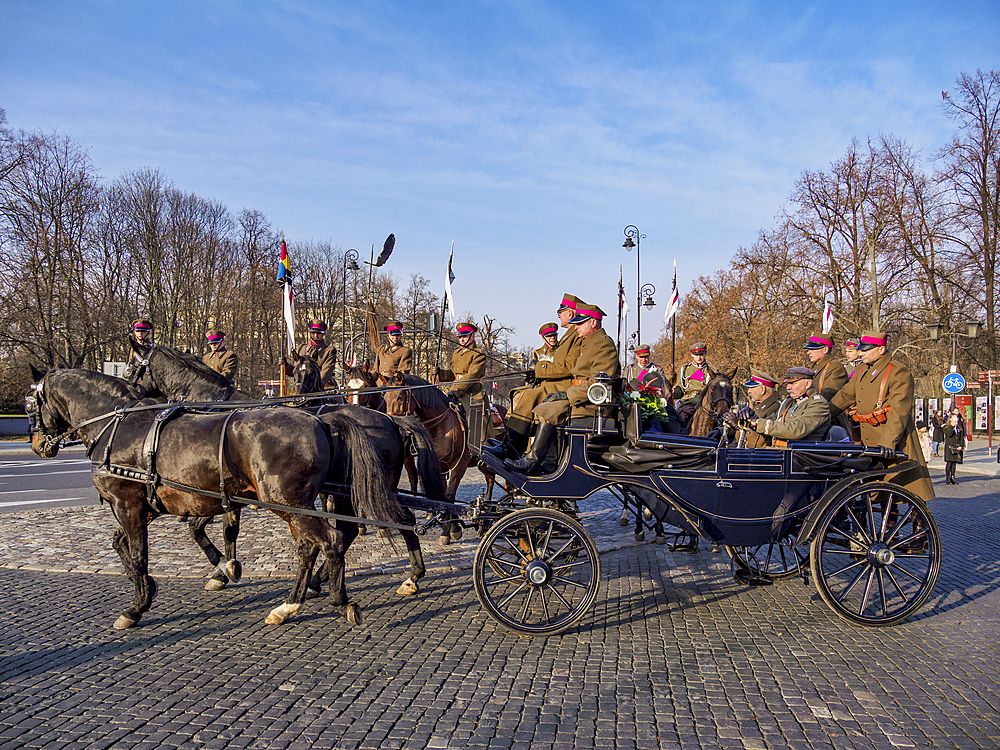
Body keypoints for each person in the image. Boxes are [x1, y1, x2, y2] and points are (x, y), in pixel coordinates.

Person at [506, 303, 620, 474]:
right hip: (583, 397)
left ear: (594, 323)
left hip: (593, 404)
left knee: (550, 409)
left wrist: (567, 394)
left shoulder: (602, 344)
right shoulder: (590, 343)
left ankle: (534, 461)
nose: (576, 326)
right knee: (544, 405)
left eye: (581, 323)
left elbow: (598, 384)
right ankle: (545, 463)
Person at [829, 330, 934, 504]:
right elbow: (845, 396)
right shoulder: (862, 369)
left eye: (866, 349)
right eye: (860, 349)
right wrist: (822, 416)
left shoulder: (898, 372)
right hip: (869, 439)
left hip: (894, 440)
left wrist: (887, 443)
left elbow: (899, 412)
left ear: (881, 350)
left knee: (905, 489)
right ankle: (887, 526)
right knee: (880, 491)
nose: (861, 352)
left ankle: (919, 527)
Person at [484, 294, 583, 460]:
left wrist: (539, 367)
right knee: (518, 392)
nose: (559, 315)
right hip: (555, 382)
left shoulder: (574, 334)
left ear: (570, 313)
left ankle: (512, 448)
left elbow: (567, 366)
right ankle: (510, 444)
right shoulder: (569, 335)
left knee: (528, 395)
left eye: (561, 312)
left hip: (565, 385)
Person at [741, 367, 831, 446]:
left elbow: (796, 430)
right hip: (782, 453)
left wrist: (757, 422)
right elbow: (772, 421)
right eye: (788, 384)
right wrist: (750, 418)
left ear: (807, 384)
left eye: (793, 383)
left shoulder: (818, 404)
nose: (788, 387)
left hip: (800, 456)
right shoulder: (789, 403)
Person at [439, 322, 495, 440]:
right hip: (455, 392)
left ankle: (483, 447)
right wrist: (441, 373)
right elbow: (454, 374)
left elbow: (471, 376)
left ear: (472, 336)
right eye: (460, 337)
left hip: (471, 393)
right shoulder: (457, 353)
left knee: (476, 423)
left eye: (464, 336)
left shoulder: (478, 354)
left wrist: (454, 390)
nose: (462, 339)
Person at [729, 369, 782, 449]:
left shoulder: (778, 407)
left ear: (762, 389)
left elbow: (766, 435)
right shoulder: (758, 406)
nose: (749, 392)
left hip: (762, 456)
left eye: (752, 388)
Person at [803, 333, 848, 402]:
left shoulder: (835, 367)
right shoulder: (815, 367)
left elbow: (828, 394)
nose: (808, 352)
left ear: (825, 350)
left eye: (812, 349)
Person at [295, 320, 338, 389]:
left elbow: (326, 372)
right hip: (303, 388)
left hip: (324, 387)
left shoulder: (329, 351)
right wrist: (286, 366)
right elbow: (296, 371)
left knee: (338, 399)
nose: (315, 335)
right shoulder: (301, 349)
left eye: (319, 333)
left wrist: (314, 387)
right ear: (309, 333)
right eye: (313, 333)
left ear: (323, 334)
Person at [942, 413, 965, 484]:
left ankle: (953, 477)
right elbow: (949, 434)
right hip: (950, 447)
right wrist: (952, 426)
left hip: (957, 446)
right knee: (949, 462)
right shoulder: (946, 427)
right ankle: (948, 477)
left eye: (956, 418)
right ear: (950, 419)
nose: (956, 419)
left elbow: (961, 437)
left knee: (954, 463)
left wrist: (961, 445)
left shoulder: (959, 427)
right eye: (954, 418)